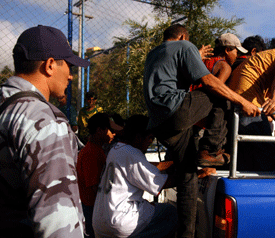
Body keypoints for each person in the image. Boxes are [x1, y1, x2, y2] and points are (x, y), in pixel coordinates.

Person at [143, 24, 260, 237]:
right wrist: (242, 101)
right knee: (221, 94)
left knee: (187, 177)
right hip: (175, 110)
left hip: (159, 123)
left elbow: (174, 77)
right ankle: (210, 150)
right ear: (182, 37)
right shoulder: (184, 46)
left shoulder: (154, 53)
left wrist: (194, 56)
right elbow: (209, 82)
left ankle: (186, 234)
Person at [0, 25, 90, 237]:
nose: (70, 76)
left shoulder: (5, 106)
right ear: (50, 65)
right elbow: (58, 223)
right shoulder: (45, 120)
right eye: (68, 66)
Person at [92, 115, 178, 238]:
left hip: (99, 222)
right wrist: (193, 175)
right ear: (138, 137)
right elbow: (160, 183)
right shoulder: (133, 153)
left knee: (149, 206)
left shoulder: (115, 149)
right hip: (120, 222)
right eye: (150, 138)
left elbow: (144, 167)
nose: (150, 142)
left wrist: (169, 164)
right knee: (170, 213)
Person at [77, 113, 116, 238]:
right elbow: (94, 186)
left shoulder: (97, 150)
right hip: (91, 209)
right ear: (99, 130)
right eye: (110, 130)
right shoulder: (91, 153)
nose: (113, 134)